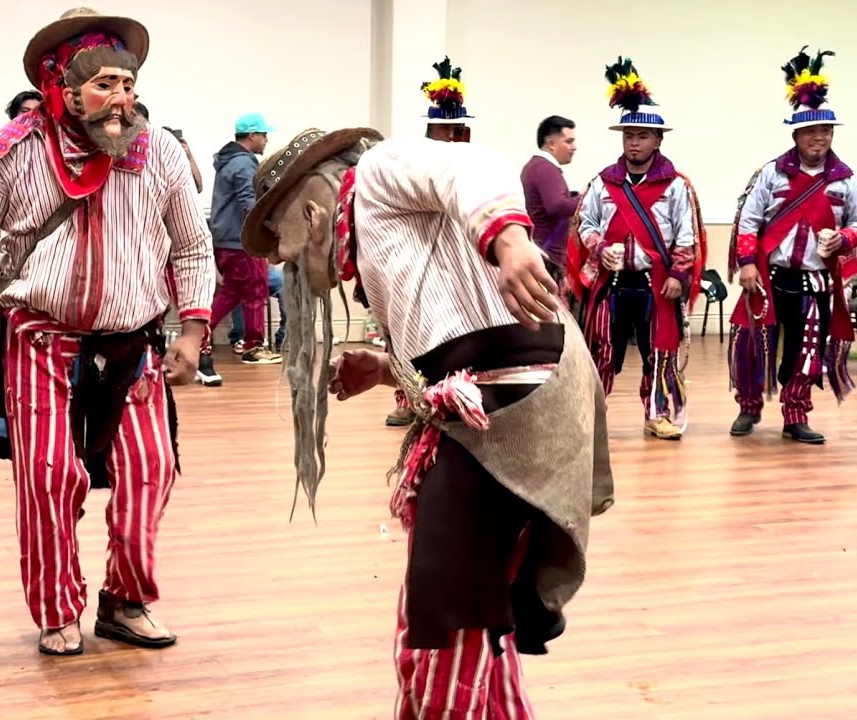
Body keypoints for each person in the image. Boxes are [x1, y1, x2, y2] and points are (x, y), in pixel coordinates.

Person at [240, 127, 615, 717]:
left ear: (310, 202)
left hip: (514, 401)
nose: (286, 256)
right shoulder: (377, 235)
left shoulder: (380, 171)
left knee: (447, 615)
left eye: (281, 235)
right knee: (473, 608)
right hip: (496, 403)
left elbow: (471, 164)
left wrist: (510, 241)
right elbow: (450, 328)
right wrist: (388, 369)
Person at [0, 7, 214, 656]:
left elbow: (193, 248)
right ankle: (57, 608)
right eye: (103, 85)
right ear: (61, 84)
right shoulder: (14, 149)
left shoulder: (159, 150)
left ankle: (125, 600)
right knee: (50, 475)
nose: (121, 100)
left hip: (131, 344)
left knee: (152, 468)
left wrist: (194, 329)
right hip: (40, 342)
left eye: (127, 84)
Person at [727, 46, 857, 444]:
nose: (820, 138)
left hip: (815, 279)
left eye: (826, 131)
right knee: (752, 342)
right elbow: (749, 219)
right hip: (767, 276)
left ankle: (795, 415)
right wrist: (747, 262)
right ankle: (748, 406)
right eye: (812, 132)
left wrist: (845, 237)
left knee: (807, 349)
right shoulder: (771, 173)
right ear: (796, 134)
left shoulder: (848, 179)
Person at [571, 57, 705, 440]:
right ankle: (591, 416)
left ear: (659, 140)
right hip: (613, 283)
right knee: (601, 352)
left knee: (659, 352)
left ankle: (658, 413)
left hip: (656, 283)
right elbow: (587, 224)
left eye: (642, 136)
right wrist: (599, 248)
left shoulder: (677, 186)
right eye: (628, 135)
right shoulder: (603, 182)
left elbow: (687, 234)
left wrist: (680, 274)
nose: (634, 141)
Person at [383, 55, 479, 428]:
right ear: (432, 130)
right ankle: (407, 396)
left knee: (456, 332)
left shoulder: (471, 164)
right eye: (444, 128)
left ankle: (453, 394)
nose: (451, 134)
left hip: (457, 258)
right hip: (416, 256)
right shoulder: (410, 163)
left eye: (457, 128)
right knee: (407, 333)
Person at [194, 111, 279, 387]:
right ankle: (253, 348)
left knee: (231, 291)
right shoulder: (244, 164)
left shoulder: (228, 161)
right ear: (252, 135)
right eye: (264, 135)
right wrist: (262, 235)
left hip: (225, 240)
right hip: (240, 241)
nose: (266, 140)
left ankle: (198, 335)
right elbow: (248, 204)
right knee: (255, 289)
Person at [522, 115, 580, 282]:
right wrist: (585, 199)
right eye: (569, 141)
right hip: (545, 259)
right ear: (552, 144)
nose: (574, 147)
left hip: (543, 255)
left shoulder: (538, 166)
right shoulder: (544, 168)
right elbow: (557, 206)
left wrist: (574, 197)